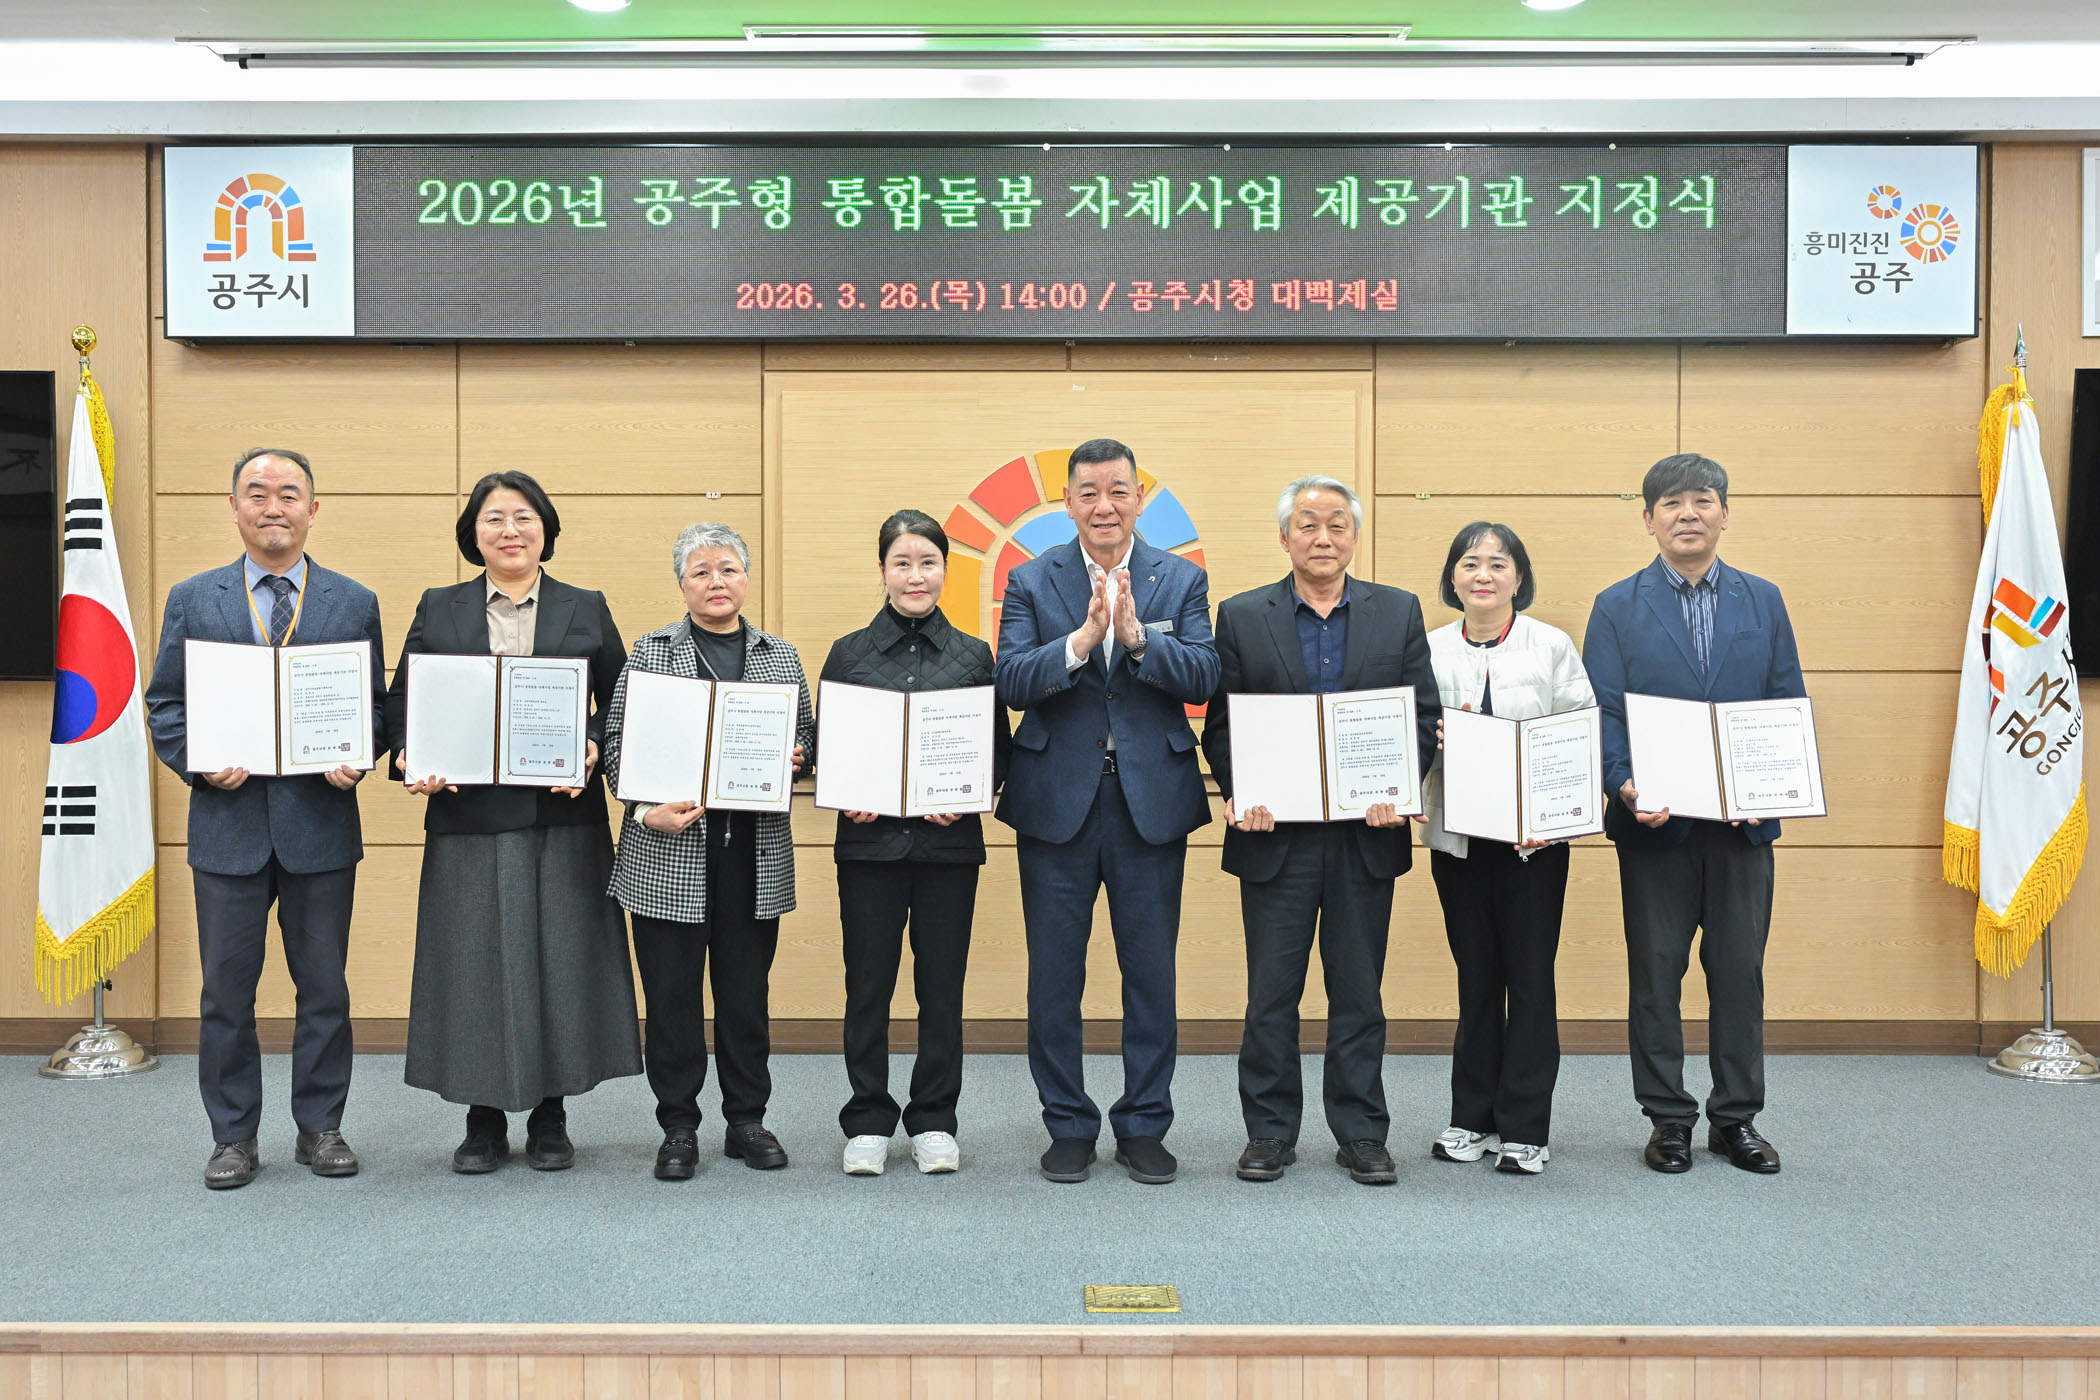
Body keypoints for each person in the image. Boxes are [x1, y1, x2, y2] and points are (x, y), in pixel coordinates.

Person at [384, 470, 640, 1174]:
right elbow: (403, 701)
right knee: (472, 965)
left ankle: (553, 1114)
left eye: (524, 517)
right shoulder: (440, 607)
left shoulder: (585, 605)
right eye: (494, 518)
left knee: (563, 961)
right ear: (474, 533)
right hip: (467, 817)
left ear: (546, 530)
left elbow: (622, 702)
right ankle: (483, 1118)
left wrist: (595, 744)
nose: (510, 530)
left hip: (563, 815)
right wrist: (408, 753)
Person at [145, 447, 385, 1189]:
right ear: (234, 506)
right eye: (257, 492)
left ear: (313, 508)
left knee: (325, 991)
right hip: (228, 828)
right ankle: (233, 1138)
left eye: (288, 493)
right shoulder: (194, 598)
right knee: (226, 996)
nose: (272, 506)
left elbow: (375, 707)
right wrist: (200, 764)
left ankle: (321, 1128)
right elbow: (165, 705)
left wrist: (358, 756)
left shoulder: (353, 601)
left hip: (320, 826)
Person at [994, 438, 1220, 1186]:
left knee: (1150, 973)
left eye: (1118, 491)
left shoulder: (1180, 578)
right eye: (1088, 493)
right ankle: (1067, 1123)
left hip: (1149, 802)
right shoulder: (1032, 579)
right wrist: (1082, 641)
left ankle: (1144, 1124)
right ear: (1067, 502)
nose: (1104, 506)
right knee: (1054, 976)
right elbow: (1012, 682)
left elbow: (1204, 675)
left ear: (1138, 499)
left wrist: (1136, 640)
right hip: (1055, 802)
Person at [1201, 476, 1438, 1187]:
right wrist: (1243, 792)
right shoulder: (1243, 615)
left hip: (1366, 835)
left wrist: (1398, 788)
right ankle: (1269, 1131)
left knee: (1359, 993)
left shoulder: (1398, 611)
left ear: (1355, 536)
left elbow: (1422, 717)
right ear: (1285, 538)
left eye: (1337, 524)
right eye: (1308, 524)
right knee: (1272, 995)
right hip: (1276, 838)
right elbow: (1222, 725)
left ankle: (1361, 1131)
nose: (1323, 537)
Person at [1583, 453, 1805, 1176]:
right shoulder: (1616, 605)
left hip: (1743, 831)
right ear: (1648, 519)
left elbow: (1784, 701)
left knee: (1739, 973)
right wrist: (1624, 786)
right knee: (1656, 975)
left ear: (1724, 514)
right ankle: (1668, 1119)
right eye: (1672, 503)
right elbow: (1603, 713)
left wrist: (1766, 789)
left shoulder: (1763, 599)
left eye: (1702, 500)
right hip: (1656, 828)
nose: (1688, 514)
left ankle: (1736, 1119)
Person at [603, 522, 815, 1180]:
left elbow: (806, 741)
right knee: (671, 1000)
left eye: (728, 569)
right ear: (682, 584)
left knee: (745, 997)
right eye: (701, 572)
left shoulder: (780, 656)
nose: (716, 582)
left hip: (751, 855)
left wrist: (798, 756)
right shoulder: (650, 653)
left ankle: (747, 1120)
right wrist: (645, 811)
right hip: (667, 854)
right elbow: (615, 747)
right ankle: (678, 1126)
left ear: (746, 579)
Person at [818, 510, 1010, 1177]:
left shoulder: (974, 657)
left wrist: (970, 792)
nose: (915, 575)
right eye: (902, 563)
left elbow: (996, 751)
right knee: (867, 987)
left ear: (944, 571)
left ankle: (933, 1118)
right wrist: (846, 789)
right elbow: (827, 746)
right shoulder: (847, 653)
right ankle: (868, 1119)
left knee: (942, 989)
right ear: (882, 571)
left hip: (946, 851)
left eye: (927, 562)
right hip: (868, 848)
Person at [1419, 521, 1594, 1176]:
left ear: (1519, 576)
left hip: (1533, 846)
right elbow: (1410, 737)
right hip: (1458, 841)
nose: (1483, 574)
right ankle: (1472, 1118)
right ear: (1453, 578)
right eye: (1470, 563)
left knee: (1530, 978)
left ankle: (1524, 1128)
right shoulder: (1430, 648)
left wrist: (1555, 817)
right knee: (1475, 978)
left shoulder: (1551, 645)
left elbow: (1580, 735)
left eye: (1498, 563)